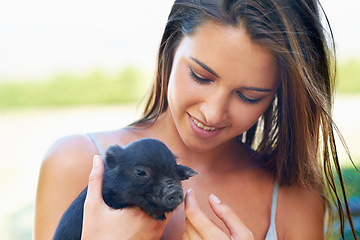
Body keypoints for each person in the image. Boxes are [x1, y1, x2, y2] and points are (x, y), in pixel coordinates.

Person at [34, 0, 358, 239]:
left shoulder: (295, 200)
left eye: (249, 96)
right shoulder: (76, 163)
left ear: (278, 96)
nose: (213, 112)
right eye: (201, 76)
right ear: (172, 46)